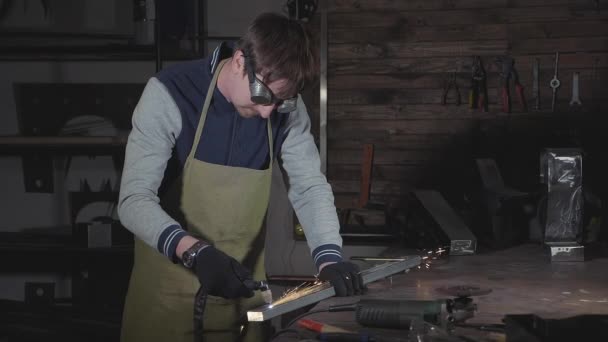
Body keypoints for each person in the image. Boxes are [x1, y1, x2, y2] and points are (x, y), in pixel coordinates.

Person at [117, 12, 364, 342]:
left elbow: (309, 186)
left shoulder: (284, 108)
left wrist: (328, 256)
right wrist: (194, 252)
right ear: (238, 61)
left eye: (281, 101)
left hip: (243, 301)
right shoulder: (169, 93)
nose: (267, 112)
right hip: (165, 304)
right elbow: (133, 201)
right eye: (263, 96)